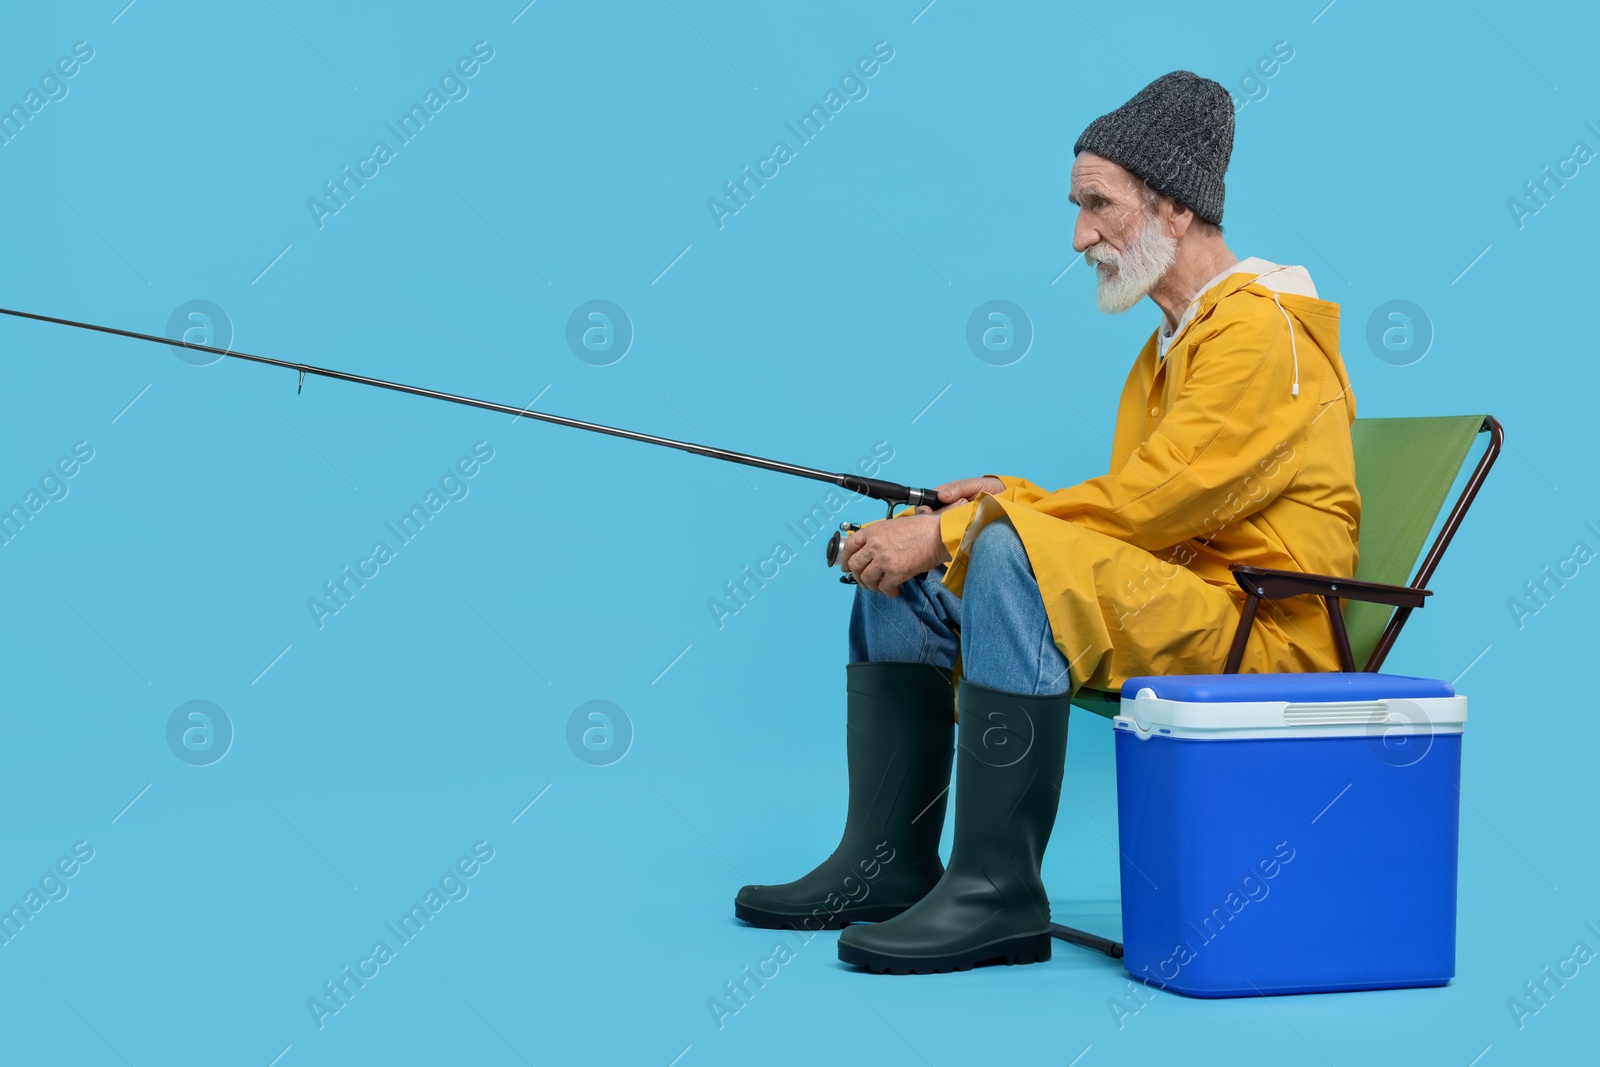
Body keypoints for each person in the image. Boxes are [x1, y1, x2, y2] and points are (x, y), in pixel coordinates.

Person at [734, 70, 1361, 975]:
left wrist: (975, 526)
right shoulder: (1176, 341)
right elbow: (1149, 503)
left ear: (1176, 207)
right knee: (929, 557)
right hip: (1194, 603)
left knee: (991, 547)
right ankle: (886, 864)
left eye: (1099, 206)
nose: (1079, 236)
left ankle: (996, 894)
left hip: (1262, 631)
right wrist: (992, 498)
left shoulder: (1262, 334)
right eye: (1079, 208)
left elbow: (1153, 505)